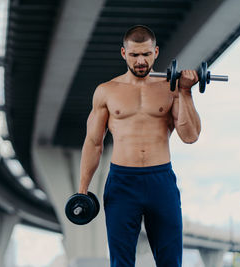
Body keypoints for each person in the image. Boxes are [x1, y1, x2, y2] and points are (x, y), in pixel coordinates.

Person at [77, 25, 201, 267]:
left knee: (170, 262)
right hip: (122, 183)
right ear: (124, 54)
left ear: (155, 52)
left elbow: (190, 136)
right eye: (134, 55)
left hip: (161, 181)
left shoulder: (171, 88)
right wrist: (82, 190)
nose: (141, 60)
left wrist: (185, 92)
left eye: (146, 54)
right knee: (121, 263)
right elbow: (93, 143)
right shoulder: (106, 91)